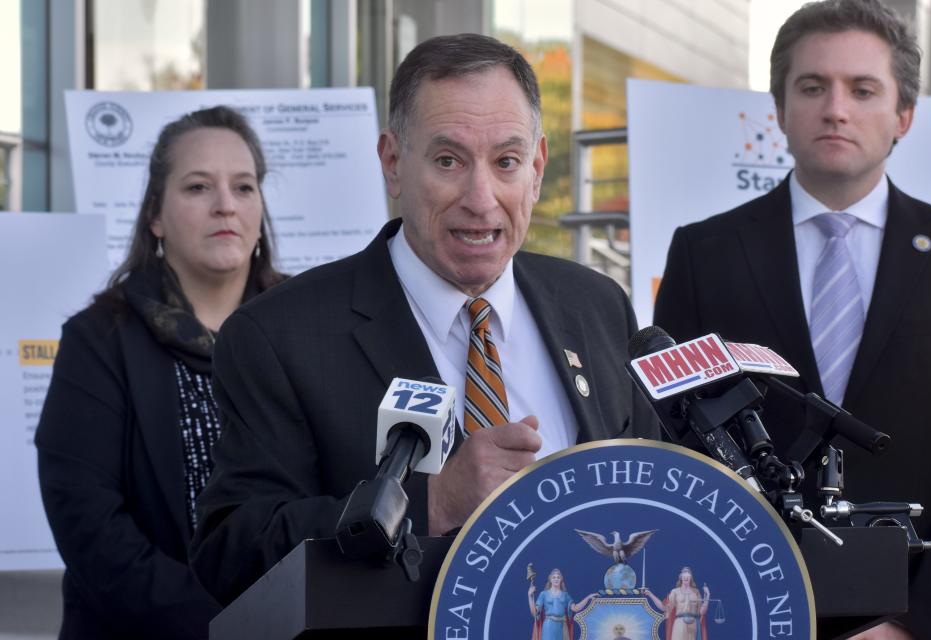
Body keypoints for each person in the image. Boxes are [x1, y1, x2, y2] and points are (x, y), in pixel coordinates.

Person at [189, 33, 659, 611]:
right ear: (393, 164)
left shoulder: (597, 305)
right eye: (448, 161)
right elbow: (231, 549)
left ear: (536, 169)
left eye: (505, 162)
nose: (481, 198)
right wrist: (430, 501)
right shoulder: (278, 336)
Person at [653, 1, 931, 637]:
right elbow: (673, 448)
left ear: (904, 115)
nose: (836, 108)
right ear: (780, 108)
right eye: (813, 86)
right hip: (740, 607)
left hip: (912, 616)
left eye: (863, 89)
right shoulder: (703, 254)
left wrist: (918, 621)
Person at [35, 106, 285, 639]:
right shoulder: (98, 339)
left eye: (243, 187)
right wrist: (227, 626)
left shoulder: (306, 325)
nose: (225, 206)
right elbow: (89, 527)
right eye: (198, 188)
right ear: (155, 215)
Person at [642, 567, 710, 640]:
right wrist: (650, 594)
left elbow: (701, 612)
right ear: (681, 577)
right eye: (684, 575)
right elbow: (664, 607)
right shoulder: (675, 592)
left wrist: (707, 595)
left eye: (688, 575)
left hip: (693, 626)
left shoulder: (696, 592)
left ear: (691, 577)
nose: (686, 577)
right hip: (679, 624)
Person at [527, 568, 596, 640]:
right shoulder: (544, 594)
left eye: (558, 577)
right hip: (548, 626)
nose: (556, 579)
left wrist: (588, 598)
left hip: (562, 626)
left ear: (561, 580)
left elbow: (575, 608)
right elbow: (535, 613)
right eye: (554, 577)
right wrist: (530, 596)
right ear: (550, 579)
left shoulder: (565, 595)